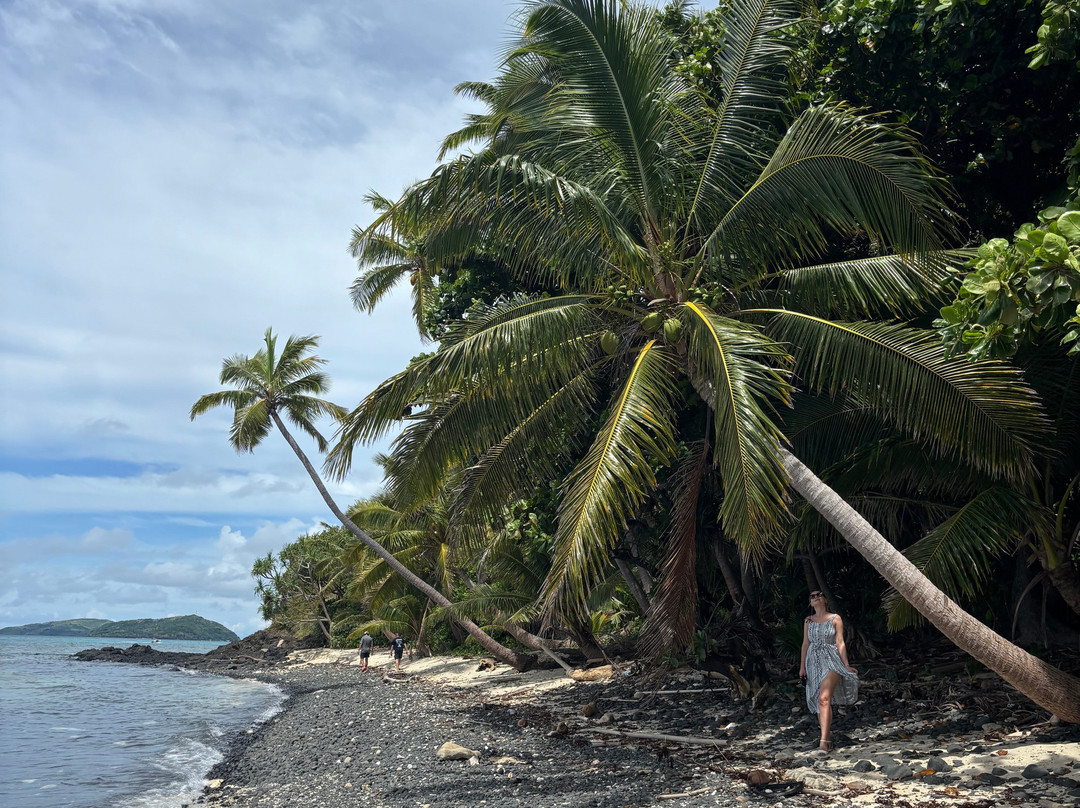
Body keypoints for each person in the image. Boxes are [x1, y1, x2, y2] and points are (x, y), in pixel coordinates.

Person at [799, 590, 858, 756]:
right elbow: (805, 644)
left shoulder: (835, 618)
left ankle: (823, 742)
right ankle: (827, 737)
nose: (816, 597)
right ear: (811, 603)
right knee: (819, 700)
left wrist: (846, 664)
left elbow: (840, 642)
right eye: (812, 596)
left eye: (819, 594)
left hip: (832, 660)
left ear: (824, 599)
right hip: (813, 662)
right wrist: (802, 666)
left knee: (824, 698)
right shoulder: (808, 621)